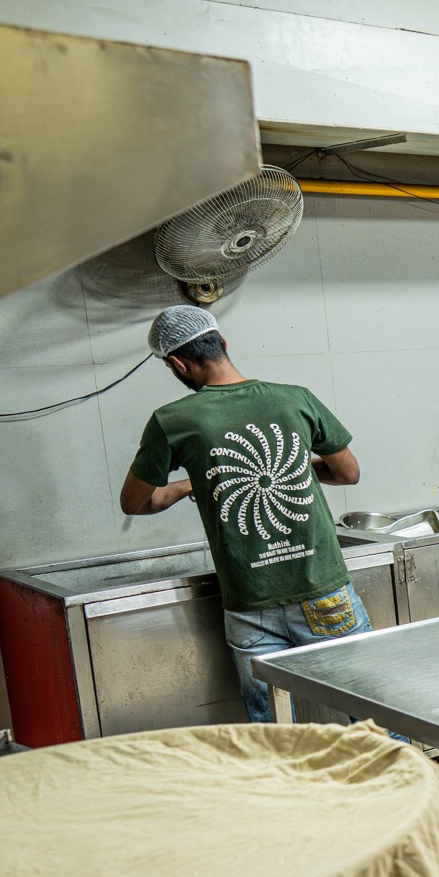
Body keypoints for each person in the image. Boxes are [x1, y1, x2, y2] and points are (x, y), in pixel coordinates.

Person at [120, 304, 370, 723]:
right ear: (223, 343)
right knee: (373, 712)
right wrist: (290, 466)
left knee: (270, 730)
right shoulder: (295, 398)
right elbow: (348, 473)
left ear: (178, 364)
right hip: (323, 590)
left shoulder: (171, 421)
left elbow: (137, 502)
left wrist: (189, 483)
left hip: (249, 604)